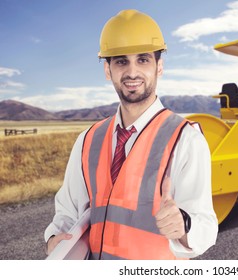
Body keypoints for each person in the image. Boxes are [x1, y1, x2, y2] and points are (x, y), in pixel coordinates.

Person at [44, 9, 218, 260]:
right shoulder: (88, 140)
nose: (132, 72)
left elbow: (207, 226)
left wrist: (184, 225)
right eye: (121, 61)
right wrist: (54, 241)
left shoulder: (186, 139)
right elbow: (67, 213)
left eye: (143, 59)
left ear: (159, 66)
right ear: (108, 70)